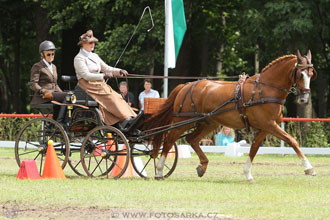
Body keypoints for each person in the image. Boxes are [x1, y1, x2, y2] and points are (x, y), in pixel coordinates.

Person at [74, 30, 136, 129]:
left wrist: (119, 71)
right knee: (110, 97)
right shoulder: (79, 58)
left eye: (94, 42)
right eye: (90, 42)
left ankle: (129, 117)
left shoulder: (94, 56)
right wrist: (102, 76)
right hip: (87, 85)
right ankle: (124, 119)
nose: (93, 44)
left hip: (98, 84)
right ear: (83, 44)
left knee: (117, 96)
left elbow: (107, 68)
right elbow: (86, 75)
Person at [29, 40, 67, 124]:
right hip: (43, 96)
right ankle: (59, 123)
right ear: (42, 55)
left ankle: (61, 122)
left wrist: (62, 94)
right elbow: (33, 84)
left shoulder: (54, 67)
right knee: (67, 96)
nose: (51, 56)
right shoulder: (37, 66)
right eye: (48, 54)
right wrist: (43, 91)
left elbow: (55, 84)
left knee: (70, 97)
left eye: (53, 54)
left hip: (54, 94)